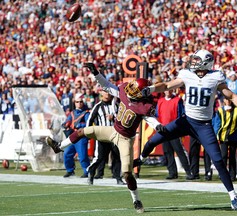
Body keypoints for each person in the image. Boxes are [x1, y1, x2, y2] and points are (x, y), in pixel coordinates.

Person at [135, 50, 237, 213]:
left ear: (206, 62)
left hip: (204, 125)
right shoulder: (186, 74)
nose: (194, 62)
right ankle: (141, 158)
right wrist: (151, 88)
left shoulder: (215, 77)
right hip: (186, 121)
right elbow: (168, 85)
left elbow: (231, 95)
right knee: (156, 139)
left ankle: (234, 197)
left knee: (218, 161)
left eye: (197, 60)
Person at [45, 63, 164, 213]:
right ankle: (59, 146)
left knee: (127, 173)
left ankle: (136, 199)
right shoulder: (124, 91)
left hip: (125, 139)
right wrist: (96, 73)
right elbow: (107, 86)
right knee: (83, 131)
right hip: (112, 130)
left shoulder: (144, 106)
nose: (129, 90)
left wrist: (158, 125)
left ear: (142, 94)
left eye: (134, 90)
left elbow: (149, 119)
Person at [86, 90, 125, 185]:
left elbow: (123, 119)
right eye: (105, 92)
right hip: (102, 135)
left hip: (115, 135)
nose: (107, 94)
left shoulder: (117, 105)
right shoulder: (98, 106)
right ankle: (91, 172)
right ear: (101, 93)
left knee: (117, 156)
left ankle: (118, 177)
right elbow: (89, 121)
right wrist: (88, 133)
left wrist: (114, 118)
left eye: (108, 92)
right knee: (99, 157)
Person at [156, 89, 193, 180]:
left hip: (174, 130)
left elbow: (181, 114)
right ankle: (172, 172)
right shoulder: (160, 101)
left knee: (179, 151)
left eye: (169, 90)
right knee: (167, 152)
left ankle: (188, 172)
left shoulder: (177, 100)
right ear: (164, 91)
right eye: (166, 90)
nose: (167, 91)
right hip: (164, 130)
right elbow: (157, 114)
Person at [213, 98, 237, 182]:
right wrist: (216, 135)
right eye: (227, 99)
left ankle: (232, 175)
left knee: (232, 156)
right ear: (224, 101)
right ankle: (222, 174)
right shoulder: (220, 111)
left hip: (234, 136)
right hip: (223, 136)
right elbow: (217, 123)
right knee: (223, 155)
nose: (228, 101)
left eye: (229, 99)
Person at [61, 93, 90, 178]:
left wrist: (79, 125)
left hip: (81, 136)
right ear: (75, 103)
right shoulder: (72, 113)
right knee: (67, 153)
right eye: (77, 102)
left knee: (82, 155)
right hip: (72, 136)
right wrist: (65, 125)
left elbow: (88, 124)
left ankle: (87, 171)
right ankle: (70, 170)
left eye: (81, 102)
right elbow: (68, 121)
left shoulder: (86, 113)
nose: (79, 103)